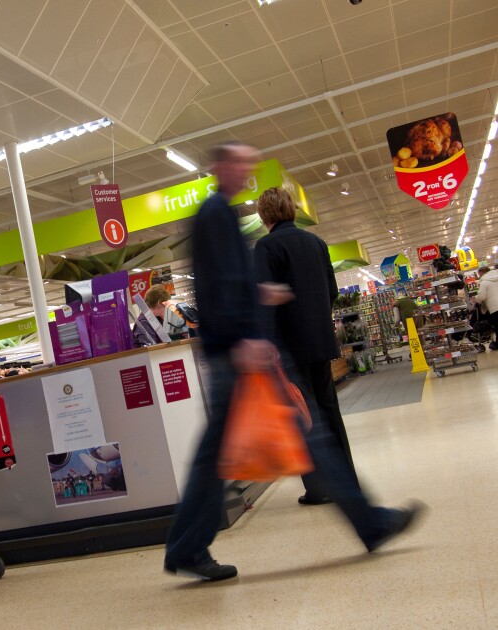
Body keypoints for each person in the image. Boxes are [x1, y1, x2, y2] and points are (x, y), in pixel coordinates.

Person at [163, 142, 424, 583]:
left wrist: (260, 295)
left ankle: (187, 547)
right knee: (308, 432)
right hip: (241, 354)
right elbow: (212, 289)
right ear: (220, 166)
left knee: (277, 441)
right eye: (241, 162)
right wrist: (242, 336)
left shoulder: (227, 218)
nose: (247, 169)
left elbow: (231, 284)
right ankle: (371, 523)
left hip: (250, 350)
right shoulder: (214, 216)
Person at [253, 187, 357, 505]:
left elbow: (264, 300)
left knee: (304, 416)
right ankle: (347, 479)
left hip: (290, 347)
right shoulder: (316, 243)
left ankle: (318, 487)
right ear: (292, 211)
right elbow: (332, 290)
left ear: (263, 215)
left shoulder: (266, 247)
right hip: (321, 340)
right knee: (329, 409)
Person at [474, 265, 498, 350]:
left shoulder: (484, 282)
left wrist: (476, 298)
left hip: (495, 308)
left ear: (483, 273)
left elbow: (481, 297)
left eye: (479, 275)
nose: (479, 277)